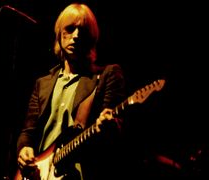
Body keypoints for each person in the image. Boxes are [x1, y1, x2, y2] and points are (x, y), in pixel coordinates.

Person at [15, 3, 126, 180]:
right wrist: (24, 150)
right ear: (59, 33)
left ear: (91, 39)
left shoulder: (106, 75)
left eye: (82, 31)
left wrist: (110, 126)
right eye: (70, 29)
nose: (76, 36)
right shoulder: (42, 83)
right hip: (40, 173)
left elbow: (115, 137)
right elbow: (28, 132)